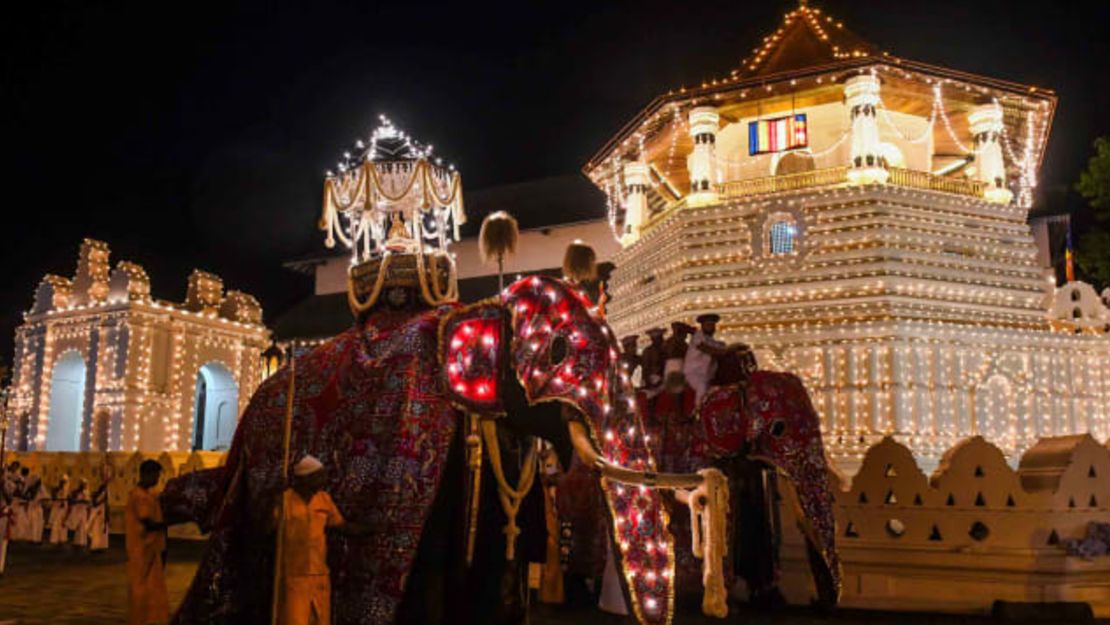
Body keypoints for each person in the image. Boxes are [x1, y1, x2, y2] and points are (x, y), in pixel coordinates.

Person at [274, 455, 365, 625]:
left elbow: (341, 526)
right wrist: (272, 497)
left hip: (320, 575)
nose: (324, 479)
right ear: (306, 478)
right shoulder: (285, 500)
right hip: (294, 576)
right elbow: (266, 528)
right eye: (319, 476)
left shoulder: (324, 499)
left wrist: (369, 529)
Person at [126, 460, 170, 625]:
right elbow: (148, 523)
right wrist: (169, 523)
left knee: (153, 587)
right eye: (156, 475)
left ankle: (151, 619)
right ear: (147, 474)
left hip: (151, 549)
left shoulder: (150, 495)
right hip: (141, 549)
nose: (157, 479)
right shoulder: (139, 496)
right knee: (141, 588)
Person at [684, 313, 739, 402]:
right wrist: (725, 352)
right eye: (708, 325)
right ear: (702, 326)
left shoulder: (715, 342)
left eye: (712, 325)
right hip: (695, 372)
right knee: (702, 386)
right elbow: (706, 349)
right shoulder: (698, 336)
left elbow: (725, 350)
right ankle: (699, 410)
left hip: (709, 374)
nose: (711, 327)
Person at [638, 327, 666, 393]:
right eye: (659, 338)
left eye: (661, 338)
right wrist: (648, 382)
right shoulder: (648, 351)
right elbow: (645, 368)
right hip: (654, 379)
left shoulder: (665, 348)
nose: (662, 340)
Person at [87, 477, 111, 552]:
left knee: (103, 530)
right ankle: (95, 546)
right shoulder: (98, 496)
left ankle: (102, 545)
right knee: (96, 530)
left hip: (102, 512)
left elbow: (106, 503)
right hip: (98, 513)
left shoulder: (104, 497)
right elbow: (96, 503)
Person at [67, 479, 91, 548]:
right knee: (78, 526)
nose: (85, 486)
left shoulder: (86, 492)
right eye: (84, 484)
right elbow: (72, 501)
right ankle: (77, 542)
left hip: (83, 511)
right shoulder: (76, 492)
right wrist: (79, 501)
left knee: (83, 526)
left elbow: (88, 502)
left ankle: (82, 542)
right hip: (77, 511)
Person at [47, 475, 70, 545]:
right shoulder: (56, 489)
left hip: (64, 508)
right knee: (56, 522)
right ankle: (54, 539)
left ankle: (62, 538)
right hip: (57, 507)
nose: (64, 483)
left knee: (63, 523)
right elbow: (54, 496)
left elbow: (66, 498)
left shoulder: (66, 490)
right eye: (63, 482)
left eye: (65, 482)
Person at [24, 473, 46, 544]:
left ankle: (37, 538)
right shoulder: (30, 488)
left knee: (39, 523)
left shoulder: (42, 488)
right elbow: (28, 496)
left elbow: (45, 497)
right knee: (32, 523)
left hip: (38, 507)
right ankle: (31, 538)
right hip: (32, 506)